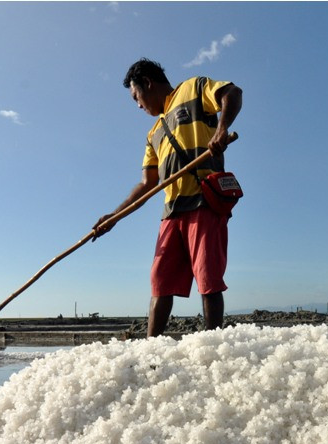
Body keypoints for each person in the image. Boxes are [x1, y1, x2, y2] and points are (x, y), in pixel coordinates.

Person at [92, 58, 242, 337]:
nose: (138, 105)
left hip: (204, 202)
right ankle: (152, 346)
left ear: (148, 84)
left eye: (136, 97)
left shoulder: (193, 89)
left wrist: (221, 129)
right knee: (160, 282)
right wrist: (115, 216)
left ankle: (211, 347)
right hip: (172, 212)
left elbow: (232, 93)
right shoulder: (154, 133)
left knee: (208, 278)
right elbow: (147, 184)